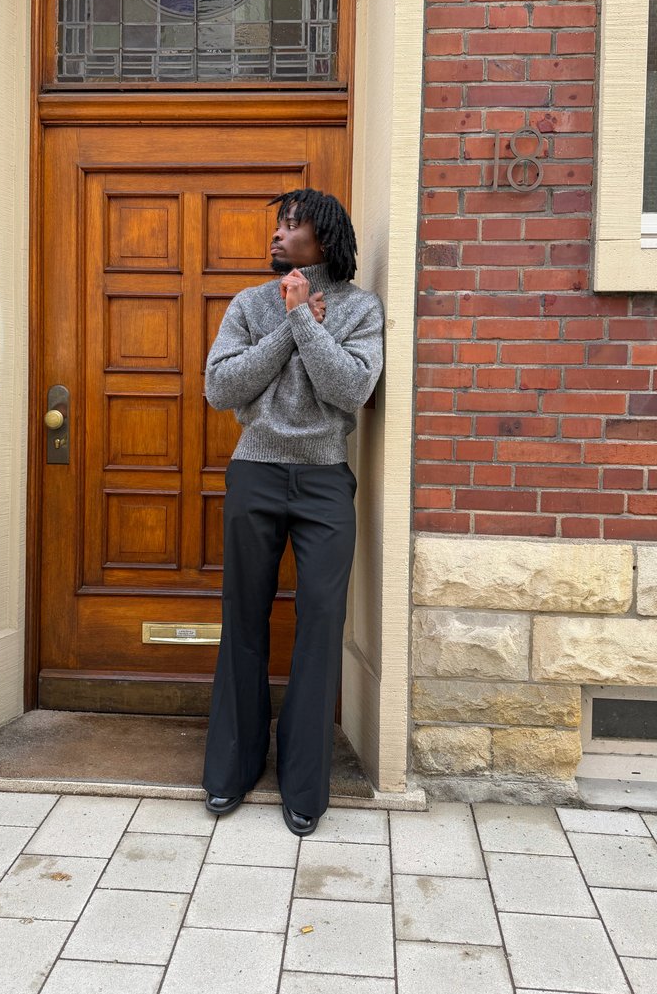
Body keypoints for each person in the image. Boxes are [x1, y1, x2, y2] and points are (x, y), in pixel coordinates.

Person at [201, 188, 384, 836]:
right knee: (243, 618)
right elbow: (221, 387)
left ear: (325, 238)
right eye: (278, 223)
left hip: (324, 483)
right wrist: (288, 321)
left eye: (293, 224)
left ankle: (305, 783)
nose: (278, 234)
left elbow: (353, 389)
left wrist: (308, 318)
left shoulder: (361, 308)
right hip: (254, 473)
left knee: (319, 628)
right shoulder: (251, 303)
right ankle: (231, 765)